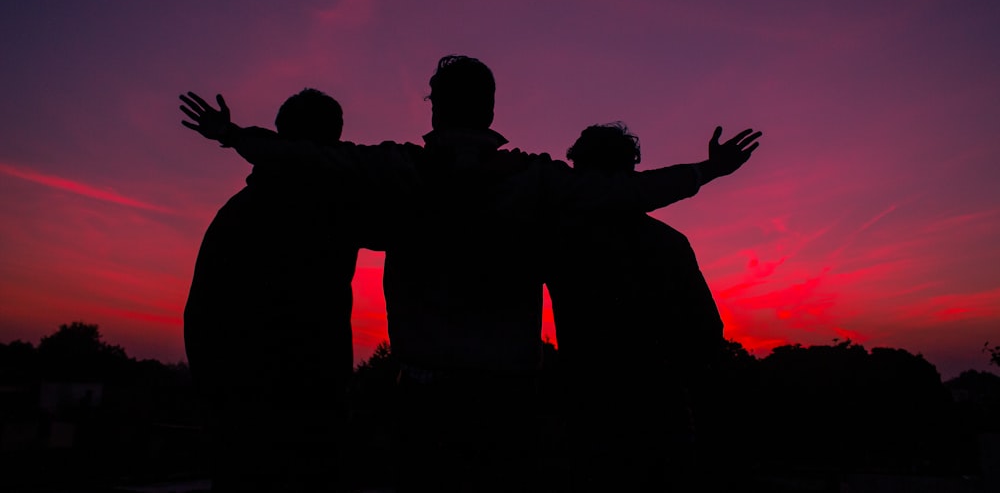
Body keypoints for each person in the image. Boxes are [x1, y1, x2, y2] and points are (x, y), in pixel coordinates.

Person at [179, 56, 761, 492]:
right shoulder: (535, 181)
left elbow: (309, 157)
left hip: (424, 394)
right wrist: (707, 170)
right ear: (490, 109)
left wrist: (233, 136)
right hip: (511, 397)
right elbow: (628, 192)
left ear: (435, 107)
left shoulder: (396, 169)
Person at [183, 88, 365, 493]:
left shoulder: (241, 212)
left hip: (251, 408)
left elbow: (200, 319)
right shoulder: (344, 203)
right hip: (302, 405)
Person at [546, 122, 727, 492]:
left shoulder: (557, 240)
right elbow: (707, 333)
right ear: (631, 170)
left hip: (586, 409)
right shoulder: (669, 242)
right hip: (662, 409)